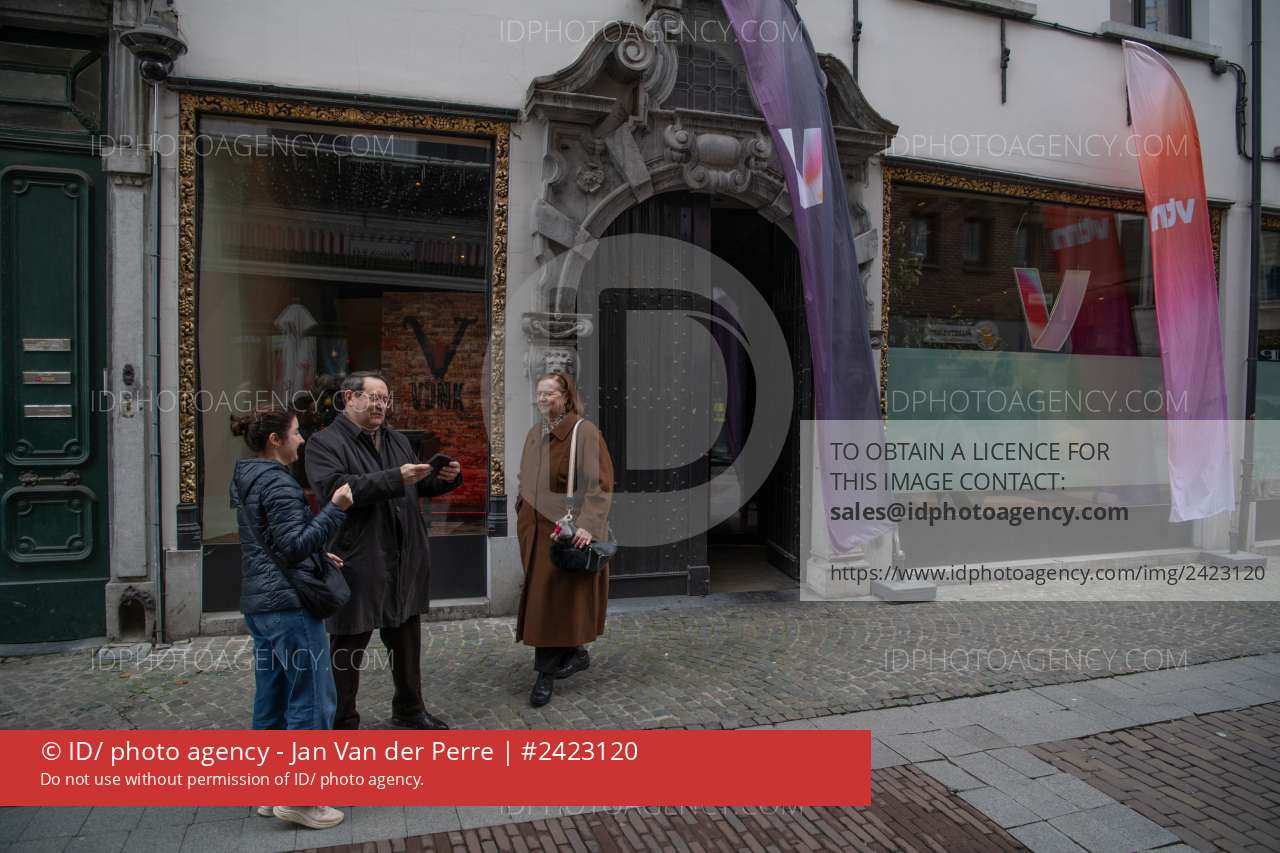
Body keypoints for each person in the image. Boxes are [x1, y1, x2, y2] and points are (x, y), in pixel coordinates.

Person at [304, 372, 462, 730]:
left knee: (406, 638)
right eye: (373, 397)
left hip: (403, 554)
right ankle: (341, 720)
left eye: (385, 399)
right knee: (348, 642)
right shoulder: (324, 443)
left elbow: (414, 486)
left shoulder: (395, 439)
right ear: (349, 397)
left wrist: (445, 478)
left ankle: (410, 709)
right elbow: (336, 489)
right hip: (357, 557)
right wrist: (396, 477)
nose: (380, 405)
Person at [229, 406, 352, 831]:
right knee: (312, 699)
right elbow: (294, 545)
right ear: (275, 440)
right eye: (296, 433)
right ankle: (302, 799)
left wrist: (319, 554)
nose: (302, 439)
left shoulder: (249, 477)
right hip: (288, 607)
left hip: (261, 605)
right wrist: (335, 508)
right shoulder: (279, 483)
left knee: (273, 697)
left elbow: (273, 543)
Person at [515, 372, 615, 707]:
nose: (542, 399)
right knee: (555, 600)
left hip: (565, 531)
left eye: (550, 394)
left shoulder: (584, 433)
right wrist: (521, 510)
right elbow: (524, 476)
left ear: (567, 397)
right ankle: (576, 652)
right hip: (534, 531)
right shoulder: (535, 433)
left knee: (549, 602)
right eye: (539, 393)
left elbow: (600, 485)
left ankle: (544, 675)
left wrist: (588, 525)